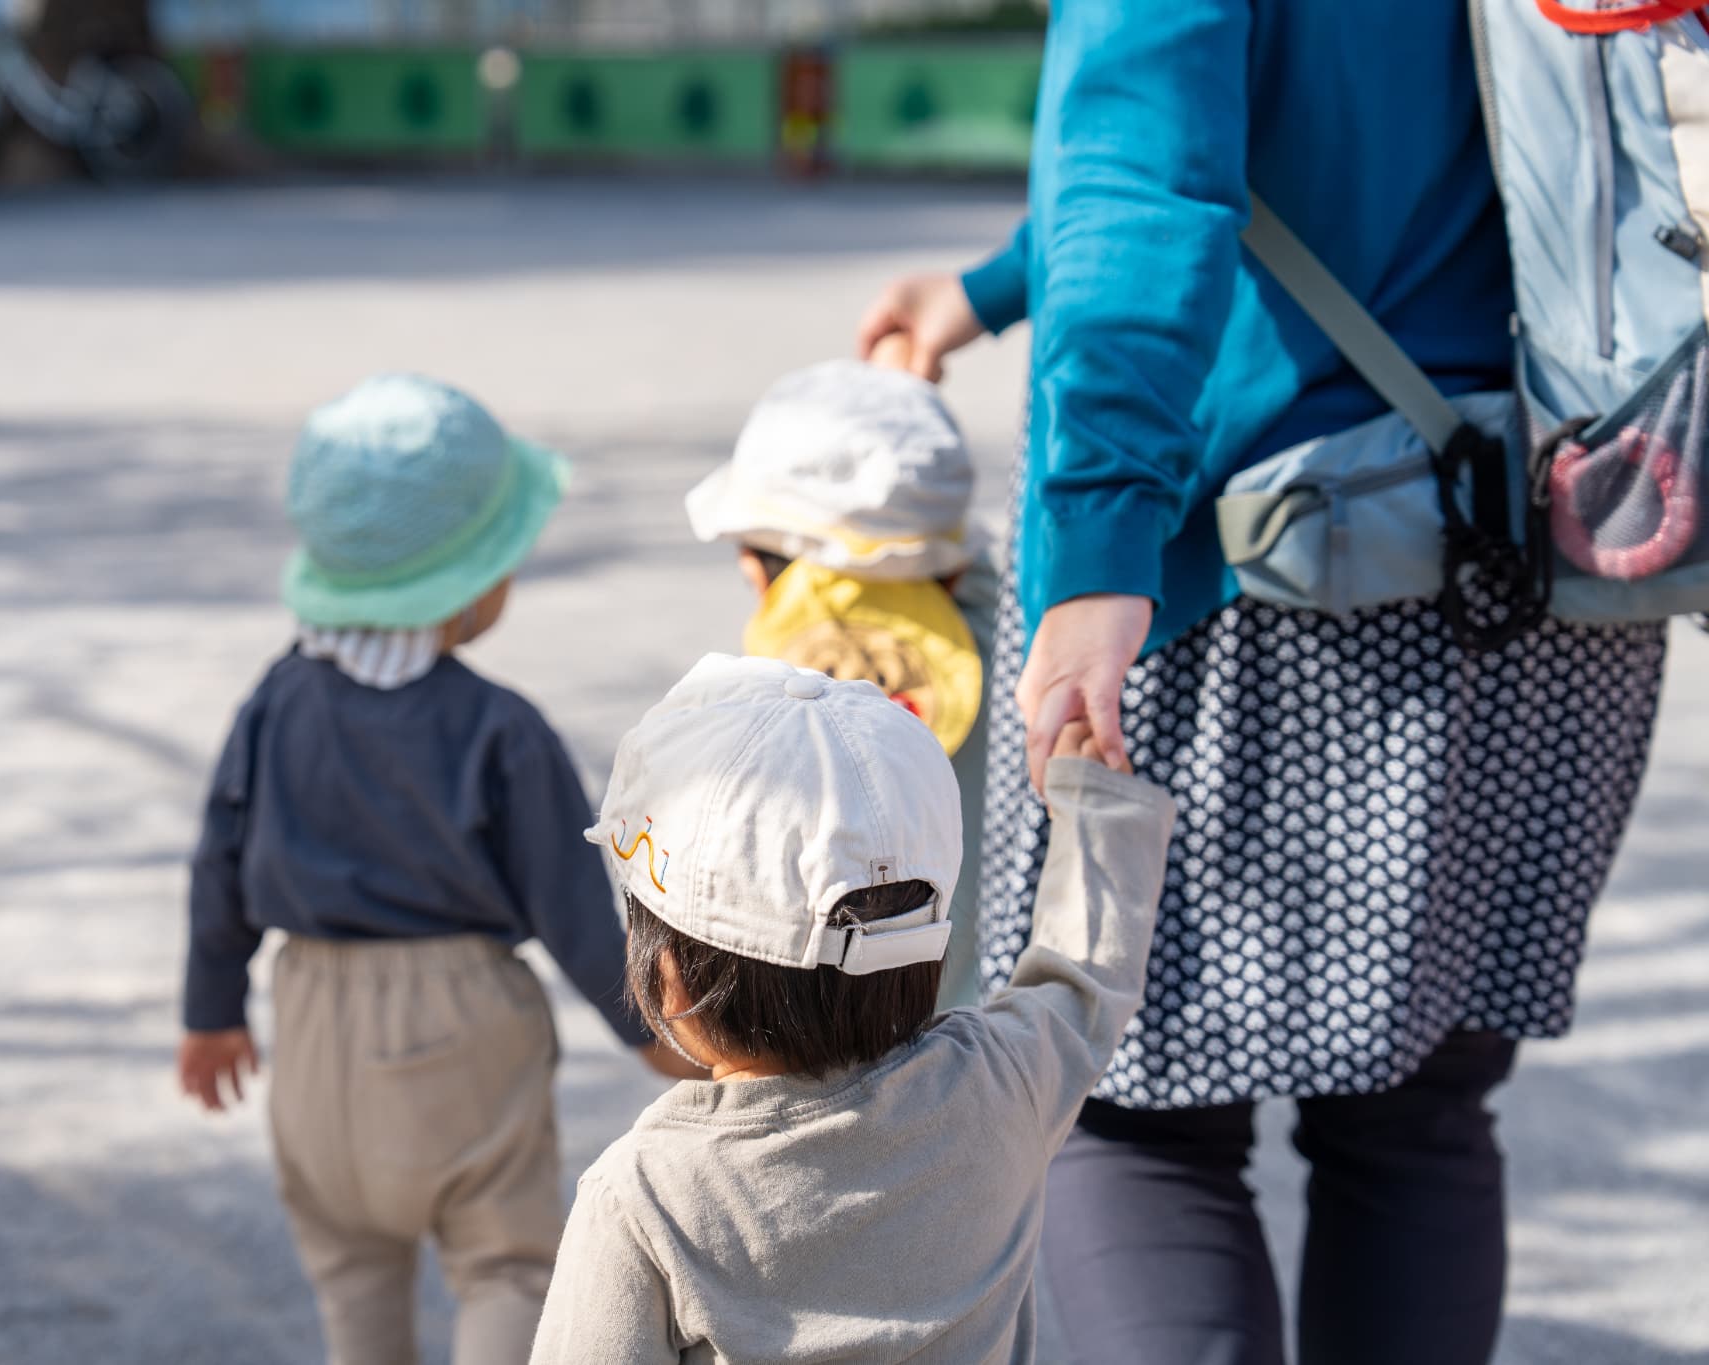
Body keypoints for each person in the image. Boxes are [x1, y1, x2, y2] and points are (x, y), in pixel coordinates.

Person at [857, 6, 1669, 1364]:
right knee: (1418, 1113)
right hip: (1552, 543)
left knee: (1125, 1105)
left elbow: (1147, 163)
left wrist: (1099, 536)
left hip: (1246, 568)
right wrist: (997, 283)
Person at [175, 374, 698, 1365]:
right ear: (464, 583)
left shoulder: (275, 701)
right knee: (505, 1267)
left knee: (351, 1267)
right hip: (460, 1028)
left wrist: (210, 1011)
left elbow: (220, 859)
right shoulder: (497, 731)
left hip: (311, 1019)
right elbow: (575, 912)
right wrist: (657, 1039)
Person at [528, 654, 1176, 1364]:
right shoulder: (998, 1087)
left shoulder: (647, 1197)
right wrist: (1098, 808)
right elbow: (1085, 977)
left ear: (669, 978)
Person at [683, 349, 998, 1007]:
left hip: (834, 1054)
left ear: (751, 562)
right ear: (952, 569)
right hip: (1003, 1059)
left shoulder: (751, 711)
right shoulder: (1025, 640)